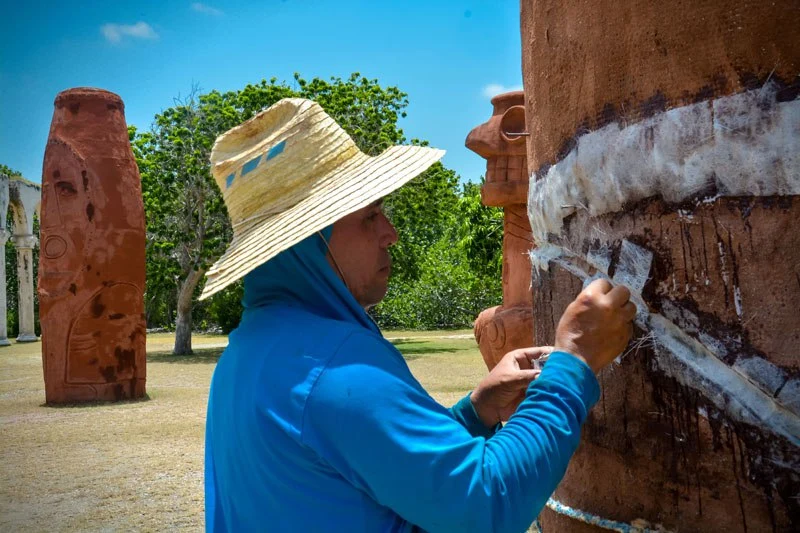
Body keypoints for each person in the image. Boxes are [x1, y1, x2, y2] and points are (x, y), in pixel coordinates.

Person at [201, 98, 636, 533]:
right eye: (370, 216)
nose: (390, 233)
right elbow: (484, 503)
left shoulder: (246, 353)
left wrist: (474, 412)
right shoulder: (336, 367)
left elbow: (372, 474)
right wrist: (572, 362)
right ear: (312, 241)